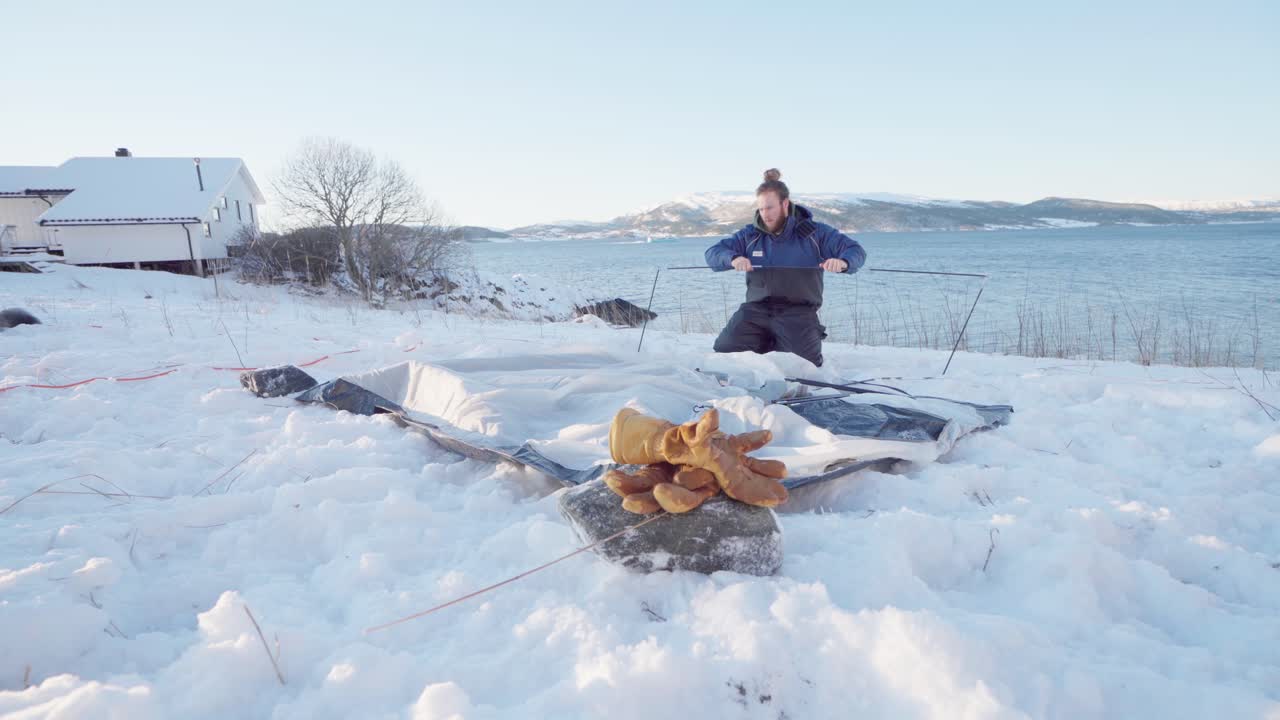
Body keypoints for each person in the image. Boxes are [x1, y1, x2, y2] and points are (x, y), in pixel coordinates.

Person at [704, 169, 866, 367]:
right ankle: (765, 348)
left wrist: (844, 263)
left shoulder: (815, 234)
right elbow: (712, 253)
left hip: (798, 313)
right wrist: (732, 258)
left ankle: (785, 345)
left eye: (770, 208)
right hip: (756, 311)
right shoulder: (750, 236)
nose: (765, 215)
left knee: (806, 367)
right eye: (761, 209)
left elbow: (856, 250)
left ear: (785, 205)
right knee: (723, 354)